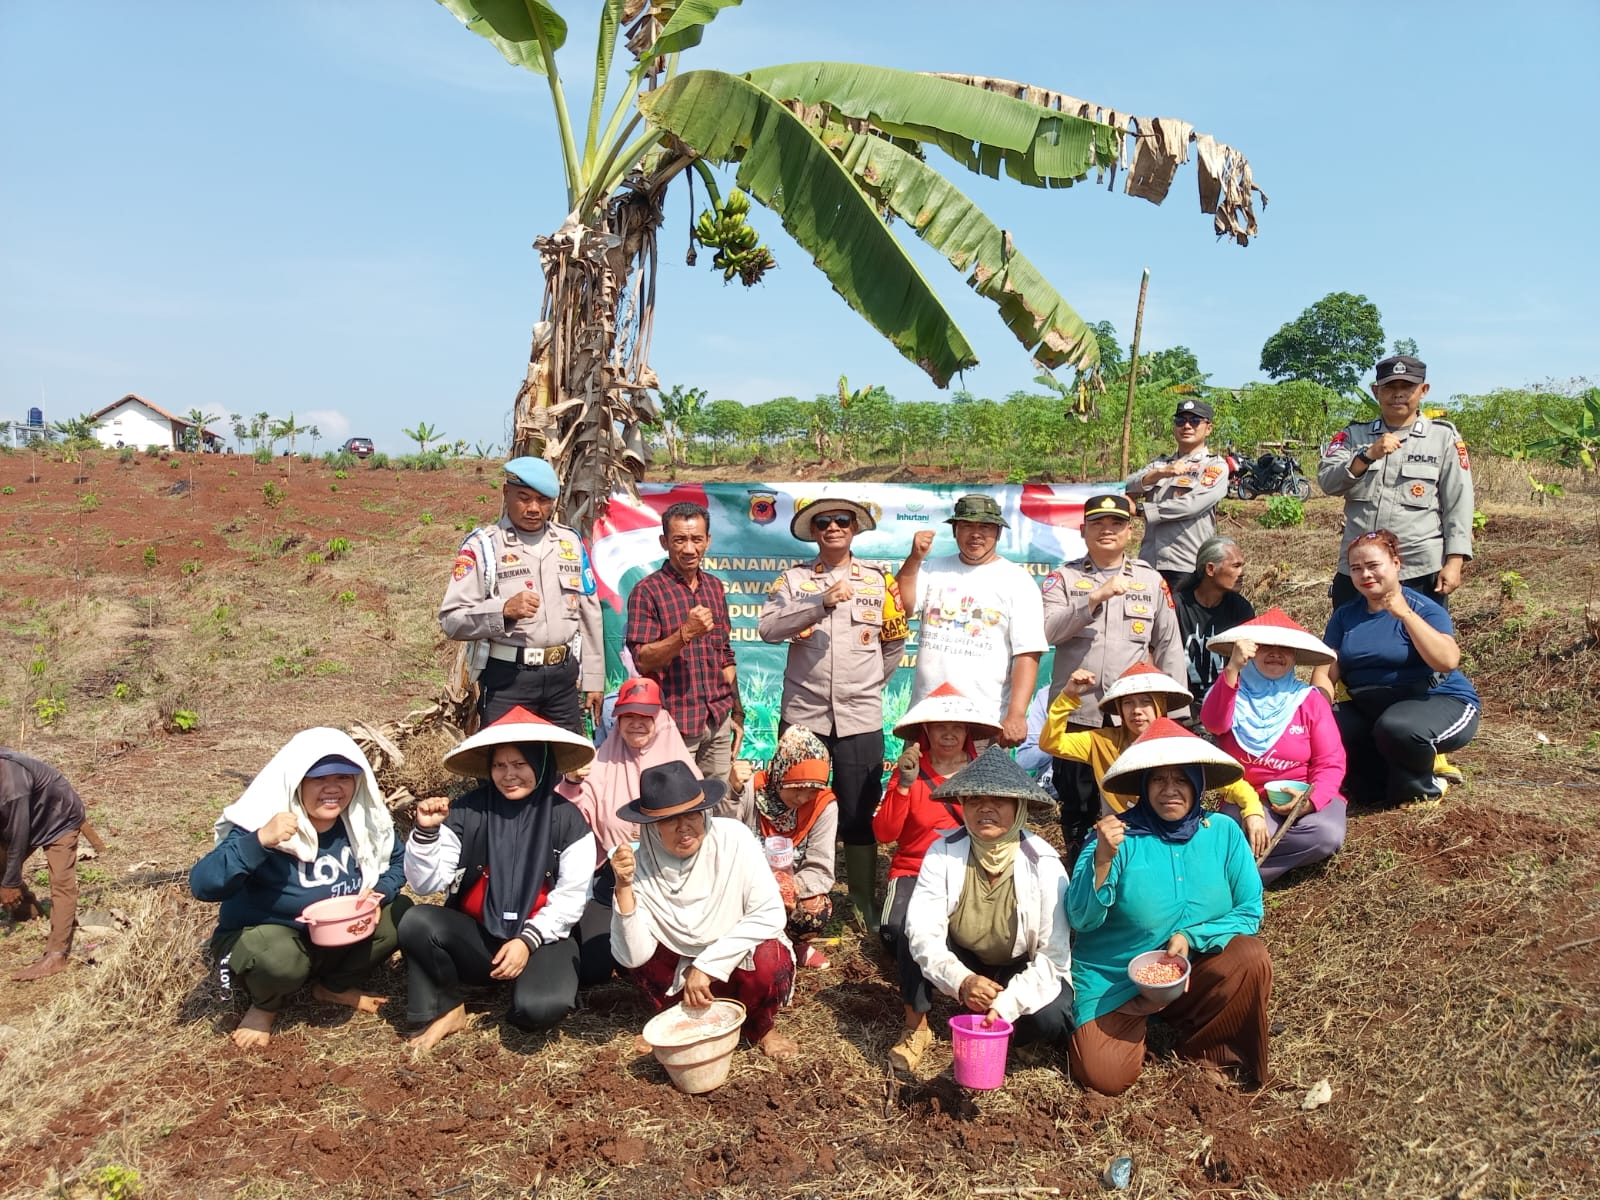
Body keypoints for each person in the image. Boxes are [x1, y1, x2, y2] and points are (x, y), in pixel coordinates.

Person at [1066, 719, 1270, 1095]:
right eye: (1159, 779)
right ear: (1144, 786)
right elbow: (1080, 918)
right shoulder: (1115, 836)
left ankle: (1210, 1051)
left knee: (1249, 957)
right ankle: (1138, 1019)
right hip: (1117, 979)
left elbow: (1249, 910)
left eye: (1181, 779)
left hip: (1192, 970)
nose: (1170, 790)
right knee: (1103, 1075)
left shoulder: (1223, 832)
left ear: (1197, 784)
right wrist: (1103, 860)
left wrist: (1191, 937)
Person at [189, 730, 408, 1049]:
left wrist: (380, 893)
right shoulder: (264, 824)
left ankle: (334, 986)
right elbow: (202, 885)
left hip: (331, 936)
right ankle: (265, 1005)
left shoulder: (361, 822)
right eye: (319, 778)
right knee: (279, 956)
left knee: (401, 913)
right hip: (270, 940)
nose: (333, 788)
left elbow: (398, 861)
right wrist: (259, 841)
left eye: (343, 777)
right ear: (296, 782)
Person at [399, 707, 598, 1052]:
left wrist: (527, 941)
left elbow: (572, 898)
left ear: (541, 764)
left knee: (540, 1009)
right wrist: (426, 834)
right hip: (480, 936)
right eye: (499, 765)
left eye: (520, 764)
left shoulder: (567, 820)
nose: (509, 775)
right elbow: (425, 885)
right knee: (417, 921)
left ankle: (526, 989)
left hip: (543, 940)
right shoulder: (467, 811)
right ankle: (447, 1007)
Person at [758, 496, 907, 930]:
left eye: (842, 520)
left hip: (860, 718)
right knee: (791, 809)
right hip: (804, 717)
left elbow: (894, 642)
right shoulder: (794, 580)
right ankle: (785, 898)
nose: (833, 527)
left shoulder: (880, 581)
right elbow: (767, 629)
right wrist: (819, 602)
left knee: (859, 812)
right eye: (823, 522)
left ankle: (861, 902)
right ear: (814, 531)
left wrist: (867, 686)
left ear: (854, 527)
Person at [891, 746, 1073, 1073]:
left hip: (1018, 963)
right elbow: (924, 932)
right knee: (910, 928)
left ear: (1018, 807)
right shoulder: (943, 852)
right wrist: (961, 980)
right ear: (963, 805)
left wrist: (1008, 1002)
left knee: (1053, 1016)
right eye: (974, 799)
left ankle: (1015, 1032)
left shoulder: (1044, 864)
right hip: (965, 955)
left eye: (999, 800)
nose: (985, 808)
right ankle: (916, 1026)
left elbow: (1053, 956)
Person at [610, 761, 798, 1060]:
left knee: (768, 958)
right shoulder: (640, 866)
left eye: (692, 814)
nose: (683, 827)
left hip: (733, 958)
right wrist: (623, 887)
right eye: (669, 820)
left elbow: (770, 913)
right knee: (643, 957)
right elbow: (632, 955)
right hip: (680, 966)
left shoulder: (734, 839)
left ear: (705, 812)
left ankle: (761, 1026)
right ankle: (674, 1018)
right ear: (652, 828)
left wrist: (707, 966)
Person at [1315, 530, 1480, 806]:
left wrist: (1405, 614)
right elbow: (1325, 670)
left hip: (1436, 700)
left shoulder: (1424, 608)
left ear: (1395, 564)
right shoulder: (1345, 615)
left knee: (1397, 727)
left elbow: (1448, 660)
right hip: (1372, 706)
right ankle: (1374, 785)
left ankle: (1426, 786)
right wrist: (1317, 709)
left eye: (1373, 565)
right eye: (1356, 568)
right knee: (1324, 727)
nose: (1365, 574)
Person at [439, 456, 603, 733]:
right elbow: (451, 620)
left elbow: (590, 613)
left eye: (543, 500)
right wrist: (502, 612)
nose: (534, 509)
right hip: (508, 680)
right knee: (508, 757)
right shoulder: (484, 546)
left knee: (569, 758)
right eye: (524, 498)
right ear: (506, 493)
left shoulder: (570, 543)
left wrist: (594, 680)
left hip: (563, 679)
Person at [1040, 661, 1264, 863]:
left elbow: (1233, 785)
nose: (1136, 711)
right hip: (1123, 839)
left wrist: (1253, 810)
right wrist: (1068, 696)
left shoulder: (1180, 742)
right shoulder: (1102, 741)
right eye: (1128, 703)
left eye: (1146, 702)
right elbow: (1052, 742)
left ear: (1160, 705)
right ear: (1119, 708)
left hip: (1174, 837)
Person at [556, 677, 698, 985]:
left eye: (645, 715)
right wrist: (571, 783)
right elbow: (569, 818)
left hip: (672, 879)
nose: (636, 723)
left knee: (657, 964)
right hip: (615, 877)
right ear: (617, 720)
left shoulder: (680, 765)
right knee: (594, 969)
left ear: (659, 718)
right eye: (628, 715)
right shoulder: (600, 764)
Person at [1317, 355, 1475, 609]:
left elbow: (1458, 502)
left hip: (1418, 570)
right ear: (1376, 391)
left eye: (1407, 387)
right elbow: (1328, 483)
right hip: (1359, 572)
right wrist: (1366, 456)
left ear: (1423, 390)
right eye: (1390, 387)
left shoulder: (1443, 438)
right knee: (1353, 635)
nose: (1398, 394)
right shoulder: (1353, 436)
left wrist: (1455, 561)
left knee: (1420, 635)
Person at [1201, 609, 1347, 881]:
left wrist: (1309, 801)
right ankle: (1241, 870)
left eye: (1285, 649)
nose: (1276, 654)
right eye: (1265, 646)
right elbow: (1213, 723)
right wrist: (1232, 669)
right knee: (1235, 834)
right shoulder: (1230, 691)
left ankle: (1244, 875)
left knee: (1327, 834)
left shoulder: (1309, 700)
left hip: (1302, 792)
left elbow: (1330, 762)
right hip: (1248, 796)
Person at [895, 493, 1046, 744]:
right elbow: (902, 608)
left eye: (985, 527)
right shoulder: (932, 569)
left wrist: (1017, 714)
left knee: (983, 773)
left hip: (985, 722)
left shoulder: (1017, 580)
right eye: (967, 525)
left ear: (998, 532)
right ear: (955, 530)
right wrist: (914, 559)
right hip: (927, 717)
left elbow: (1027, 652)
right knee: (918, 772)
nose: (976, 534)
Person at [872, 683, 1000, 951]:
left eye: (957, 727)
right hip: (914, 870)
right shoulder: (909, 770)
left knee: (977, 934)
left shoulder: (983, 774)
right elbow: (884, 834)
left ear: (967, 731)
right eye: (940, 726)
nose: (949, 734)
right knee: (896, 931)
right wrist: (904, 785)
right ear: (927, 730)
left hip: (967, 870)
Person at [1042, 493, 1185, 730]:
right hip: (1075, 712)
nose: (1107, 530)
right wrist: (1093, 599)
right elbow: (1048, 632)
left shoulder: (1150, 580)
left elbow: (1168, 646)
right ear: (1083, 530)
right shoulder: (1063, 577)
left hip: (1132, 714)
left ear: (1130, 531)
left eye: (1116, 524)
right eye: (1097, 523)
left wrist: (1175, 714)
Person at [625, 500, 739, 783]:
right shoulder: (647, 591)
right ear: (664, 542)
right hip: (674, 721)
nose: (689, 549)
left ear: (708, 541)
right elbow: (642, 660)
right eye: (679, 540)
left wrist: (737, 712)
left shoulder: (714, 587)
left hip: (718, 719)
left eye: (696, 539)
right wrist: (684, 634)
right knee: (675, 800)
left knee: (717, 798)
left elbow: (725, 653)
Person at [724, 726, 839, 969]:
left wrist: (791, 885)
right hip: (742, 885)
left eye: (811, 791)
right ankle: (739, 944)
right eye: (796, 788)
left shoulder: (824, 806)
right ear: (779, 774)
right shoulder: (749, 789)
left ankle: (796, 945)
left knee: (816, 908)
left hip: (788, 893)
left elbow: (820, 869)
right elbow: (724, 839)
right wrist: (731, 793)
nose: (802, 799)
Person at [1123, 398, 1232, 588]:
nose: (1187, 426)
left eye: (1195, 421)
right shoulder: (1160, 464)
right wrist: (1160, 473)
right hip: (1149, 563)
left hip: (1186, 564)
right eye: (1180, 421)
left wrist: (1141, 510)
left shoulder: (1214, 465)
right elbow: (1125, 486)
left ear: (1208, 428)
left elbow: (1192, 505)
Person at [1, 750, 87, 982]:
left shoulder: (12, 785)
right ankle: (27, 909)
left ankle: (56, 955)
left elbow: (18, 839)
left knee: (61, 883)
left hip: (59, 817)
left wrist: (10, 883)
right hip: (28, 815)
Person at [1172, 536, 1255, 702]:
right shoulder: (1176, 606)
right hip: (1182, 702)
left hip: (1226, 700)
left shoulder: (1241, 609)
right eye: (1236, 566)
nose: (1242, 573)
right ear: (1210, 569)